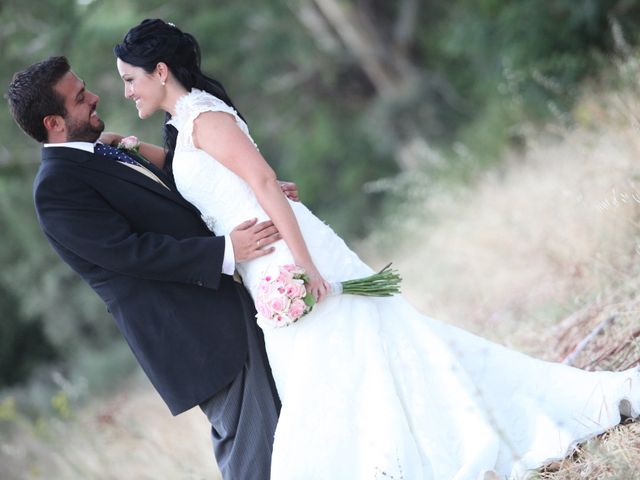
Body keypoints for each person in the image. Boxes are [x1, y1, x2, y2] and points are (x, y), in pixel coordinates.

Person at [113, 19, 640, 480]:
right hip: (261, 265)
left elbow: (267, 183)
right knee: (337, 369)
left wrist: (306, 266)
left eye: (130, 80)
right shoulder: (185, 127)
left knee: (350, 358)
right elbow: (200, 174)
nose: (128, 92)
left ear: (161, 72)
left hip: (285, 257)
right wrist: (134, 148)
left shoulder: (206, 118)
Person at [5, 55, 305, 480]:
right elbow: (130, 254)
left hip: (229, 311)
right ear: (54, 123)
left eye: (85, 87)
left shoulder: (101, 152)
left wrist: (255, 195)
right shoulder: (56, 188)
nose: (94, 97)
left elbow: (178, 200)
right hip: (200, 337)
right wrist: (226, 251)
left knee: (287, 442)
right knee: (257, 457)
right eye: (79, 98)